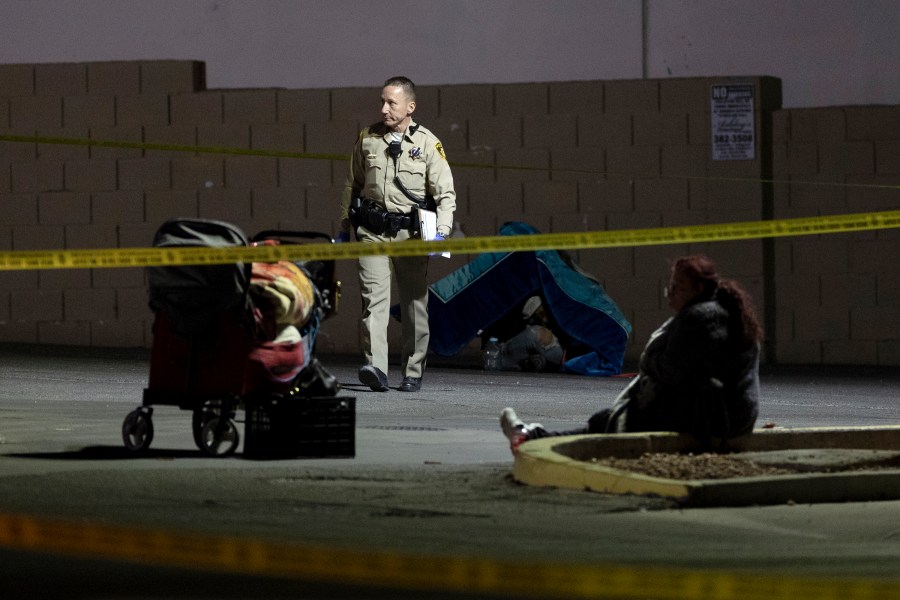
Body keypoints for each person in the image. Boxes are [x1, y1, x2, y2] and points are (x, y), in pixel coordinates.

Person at [501, 255, 763, 452]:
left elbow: (668, 371)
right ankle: (533, 436)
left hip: (717, 420)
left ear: (697, 290)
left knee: (613, 422)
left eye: (678, 287)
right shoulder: (726, 314)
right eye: (669, 287)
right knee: (608, 422)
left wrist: (651, 360)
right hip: (733, 415)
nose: (670, 294)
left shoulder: (699, 317)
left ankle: (532, 438)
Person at [339, 76, 456, 393]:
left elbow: (445, 194)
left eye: (391, 102)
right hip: (372, 233)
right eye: (382, 101)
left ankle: (413, 370)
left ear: (410, 106)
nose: (384, 108)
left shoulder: (428, 144)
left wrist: (440, 233)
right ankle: (375, 368)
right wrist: (343, 226)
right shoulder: (367, 139)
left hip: (411, 236)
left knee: (414, 305)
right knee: (373, 303)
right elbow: (353, 185)